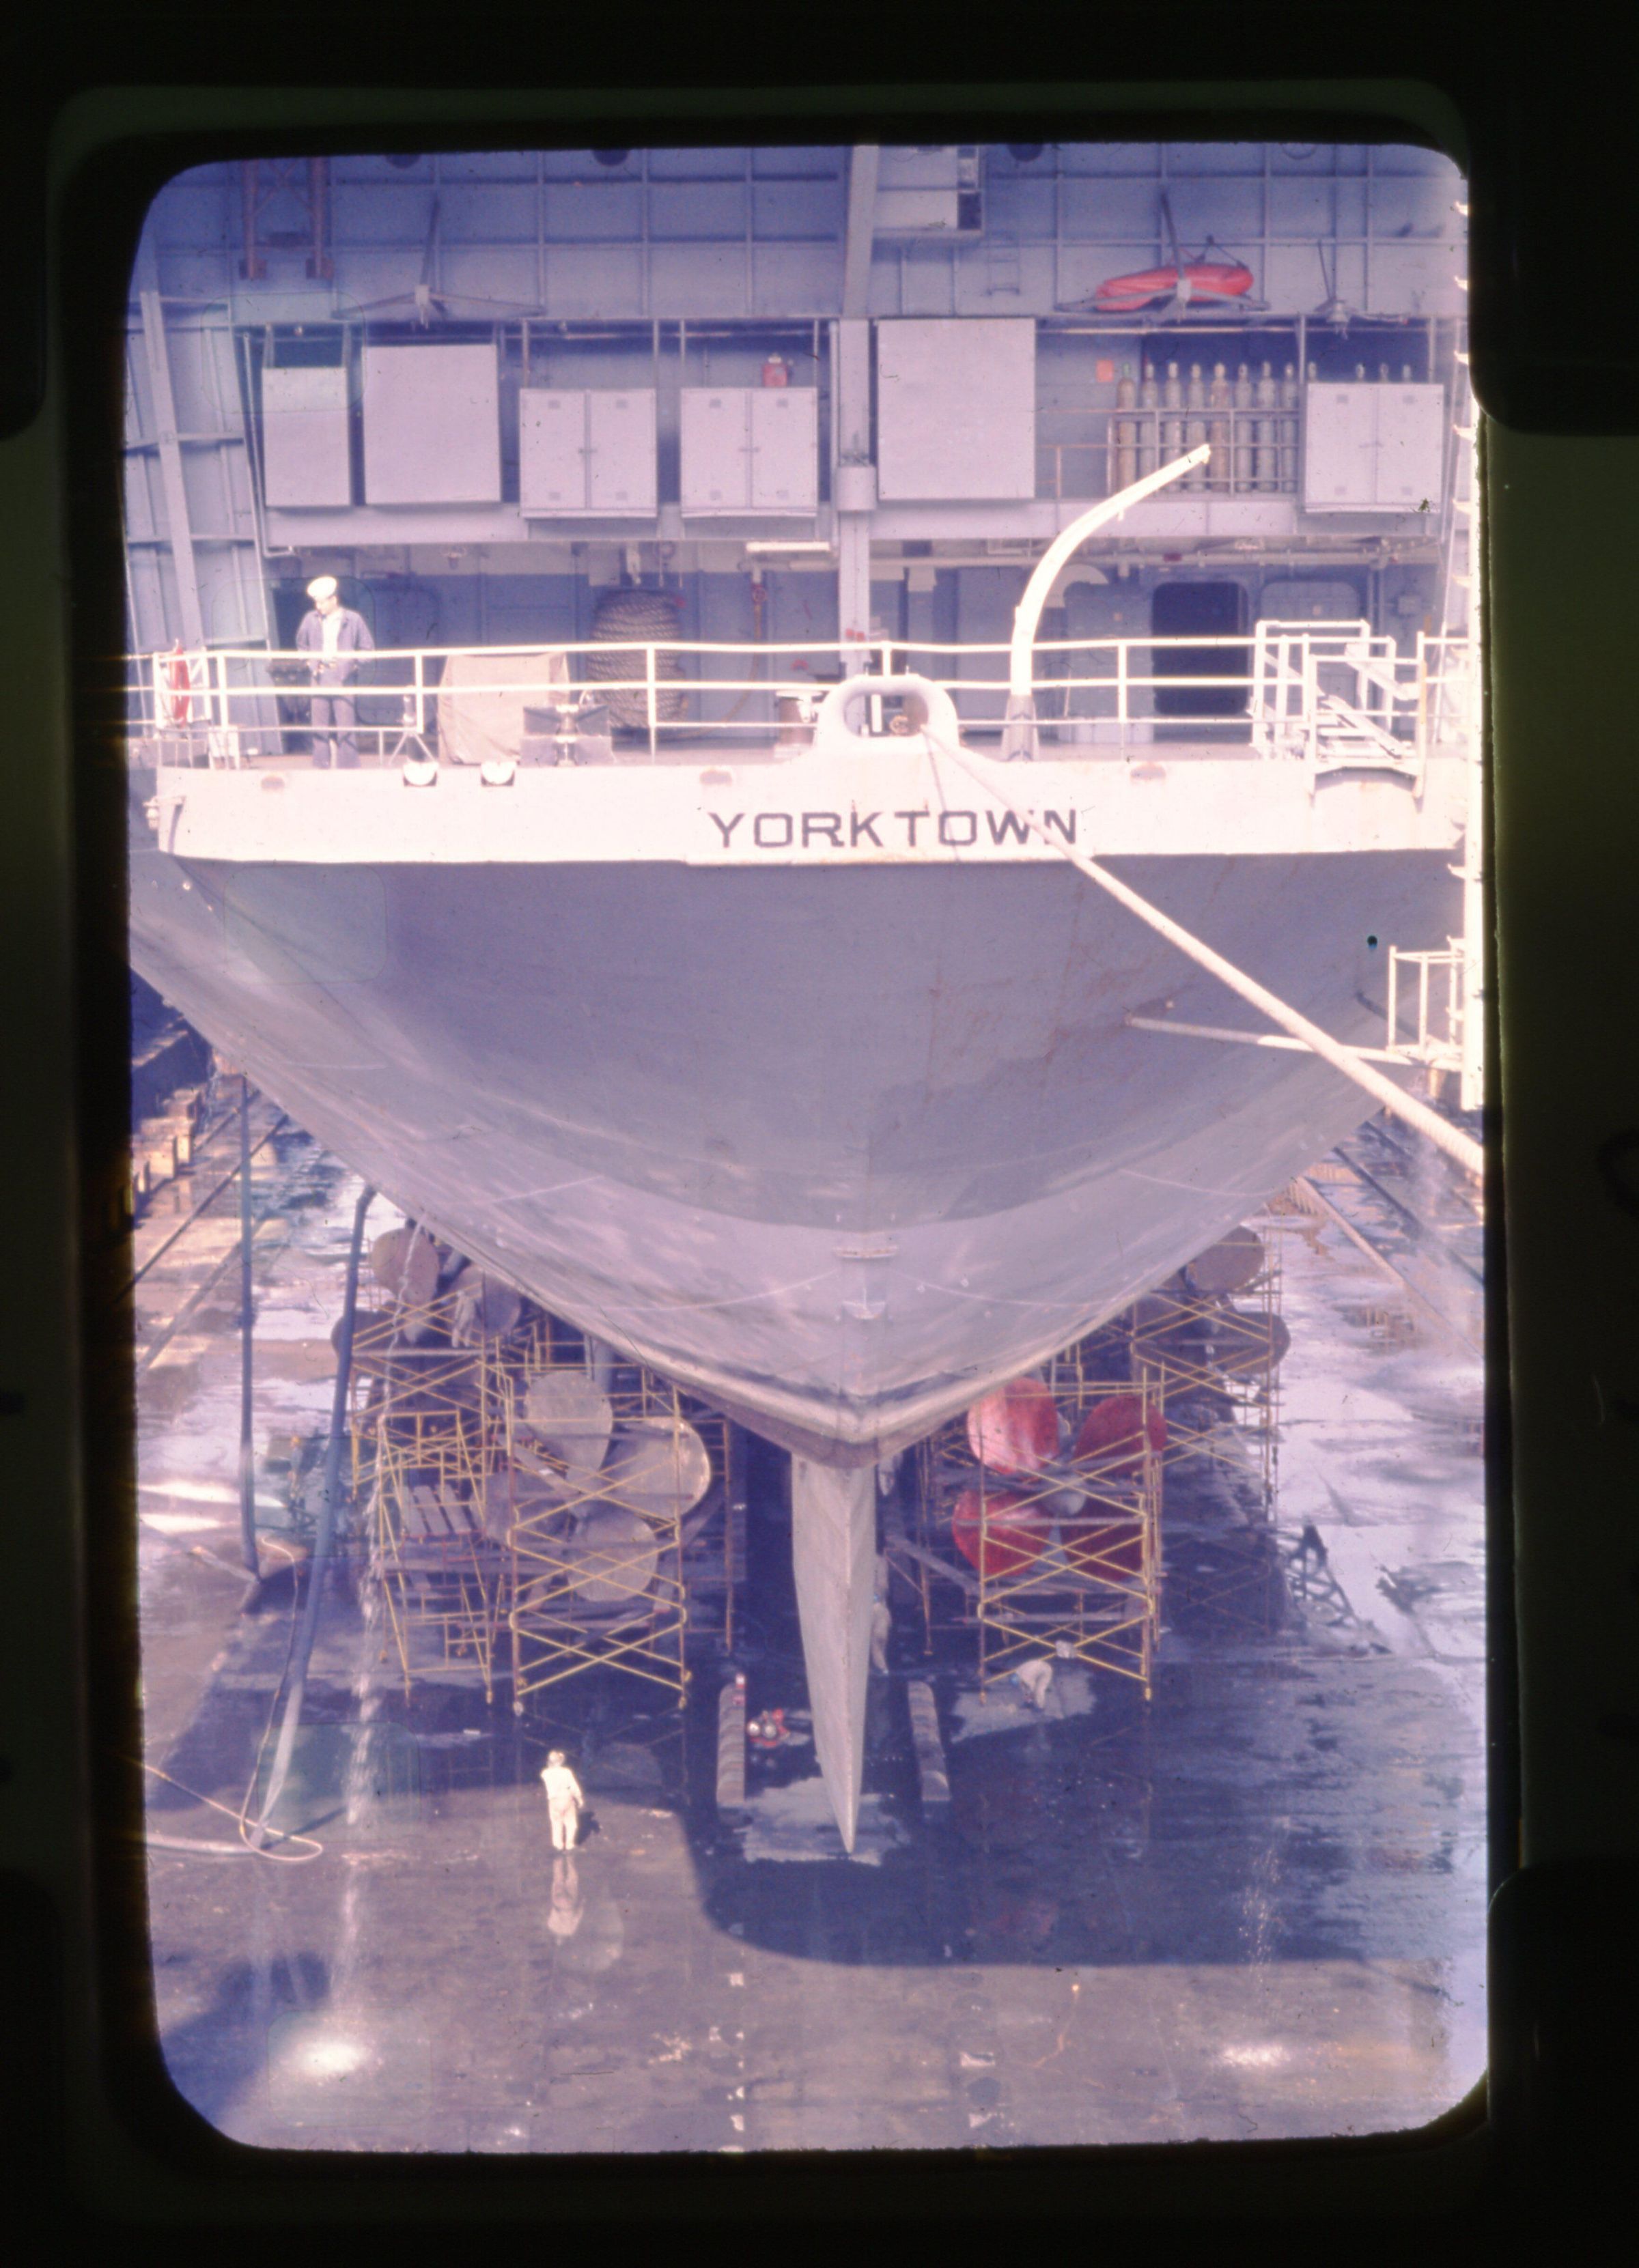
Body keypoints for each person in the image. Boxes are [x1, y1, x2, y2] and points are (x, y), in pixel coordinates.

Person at [296, 574, 374, 768]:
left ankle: (349, 767)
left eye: (321, 603)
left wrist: (352, 665)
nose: (318, 607)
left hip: (343, 677)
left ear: (334, 600)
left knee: (346, 725)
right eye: (316, 602)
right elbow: (301, 645)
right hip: (319, 676)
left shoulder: (353, 620)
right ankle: (321, 765)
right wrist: (310, 663)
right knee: (319, 726)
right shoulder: (310, 620)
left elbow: (368, 649)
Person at [540, 1748, 585, 1852]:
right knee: (571, 1823)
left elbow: (548, 1772)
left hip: (554, 1801)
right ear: (561, 1761)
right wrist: (579, 1798)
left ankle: (558, 1845)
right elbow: (572, 1787)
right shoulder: (566, 1773)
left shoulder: (545, 1773)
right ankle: (569, 1844)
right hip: (566, 1799)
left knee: (556, 1822)